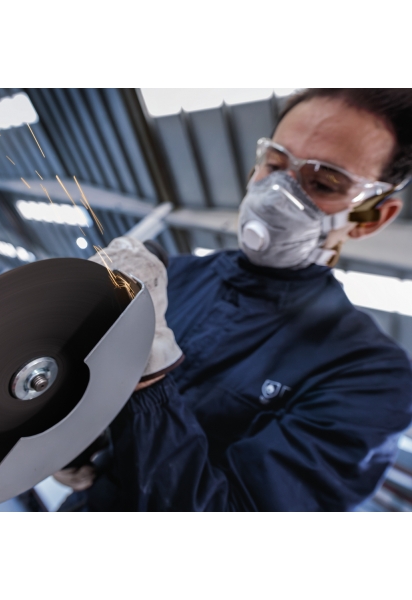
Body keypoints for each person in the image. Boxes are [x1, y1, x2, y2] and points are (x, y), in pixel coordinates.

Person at [55, 88, 412, 511]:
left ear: (371, 218)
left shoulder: (370, 377)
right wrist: (68, 435)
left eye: (323, 182)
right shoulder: (171, 275)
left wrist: (146, 374)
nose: (278, 194)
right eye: (274, 165)